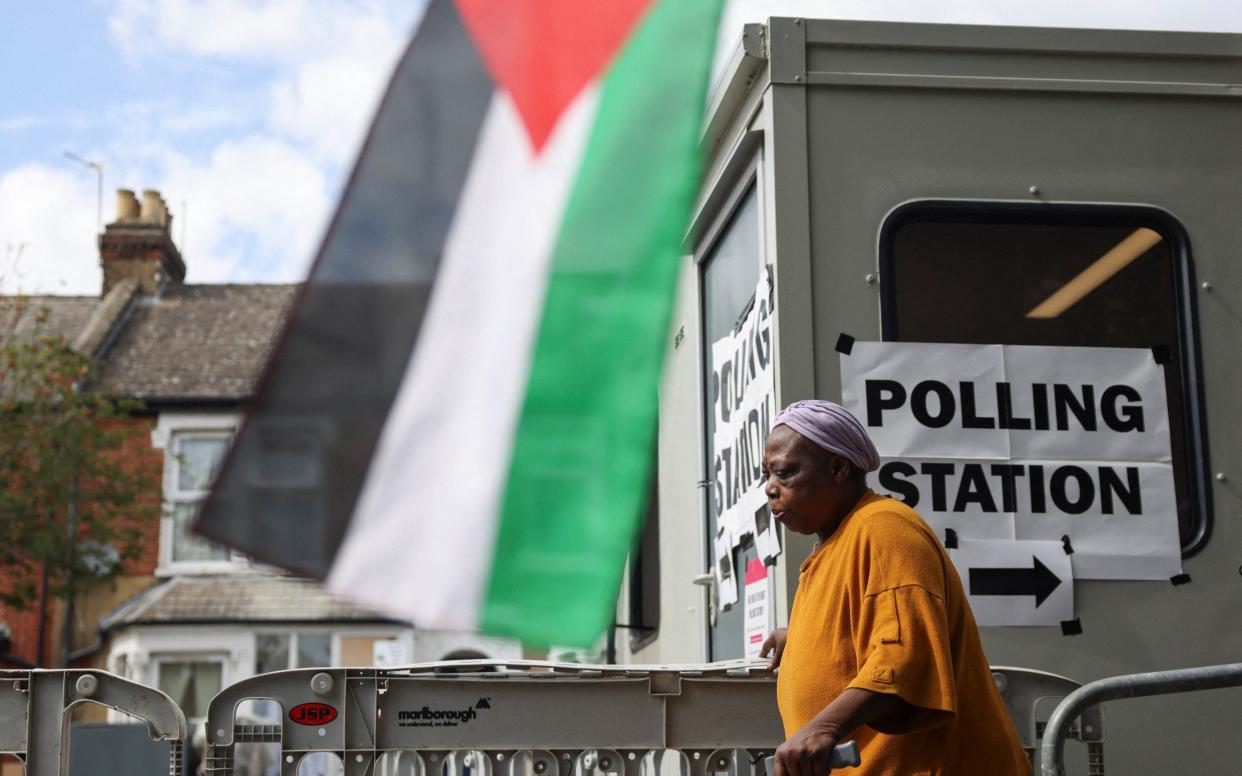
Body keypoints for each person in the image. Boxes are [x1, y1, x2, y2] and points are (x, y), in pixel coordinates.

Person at [760, 400, 1029, 776]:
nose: (770, 488)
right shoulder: (838, 540)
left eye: (784, 472)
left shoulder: (885, 529)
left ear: (838, 467)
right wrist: (805, 639)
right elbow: (868, 626)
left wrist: (823, 727)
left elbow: (903, 655)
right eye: (766, 476)